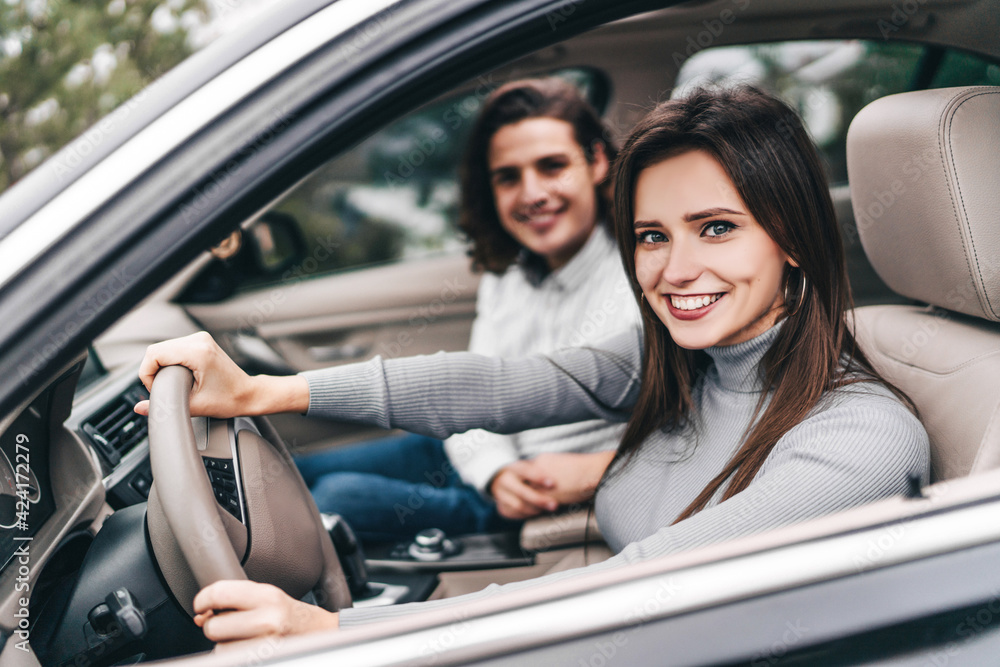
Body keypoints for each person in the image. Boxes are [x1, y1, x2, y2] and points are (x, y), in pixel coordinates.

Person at [134, 85, 929, 641]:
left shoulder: (858, 438)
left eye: (716, 227)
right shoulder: (695, 361)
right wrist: (266, 389)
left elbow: (636, 588)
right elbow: (507, 383)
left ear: (791, 237)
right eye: (652, 235)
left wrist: (342, 631)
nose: (674, 269)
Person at [292, 77, 641, 542]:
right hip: (474, 456)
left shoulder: (643, 276)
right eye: (508, 176)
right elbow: (475, 394)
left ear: (597, 161)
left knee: (335, 499)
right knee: (288, 473)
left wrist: (598, 470)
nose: (532, 193)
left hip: (529, 491)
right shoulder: (508, 274)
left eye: (552, 166)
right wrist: (494, 470)